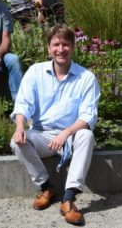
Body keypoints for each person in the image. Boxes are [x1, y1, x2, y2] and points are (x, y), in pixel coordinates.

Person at [11, 24, 100, 225]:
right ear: (49, 48)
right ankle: (47, 186)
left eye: (66, 44)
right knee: (17, 141)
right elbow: (23, 104)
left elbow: (88, 117)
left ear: (73, 47)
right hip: (41, 134)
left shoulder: (86, 78)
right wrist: (19, 128)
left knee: (87, 135)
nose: (61, 49)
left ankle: (68, 199)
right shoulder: (35, 72)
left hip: (71, 137)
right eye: (56, 44)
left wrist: (65, 134)